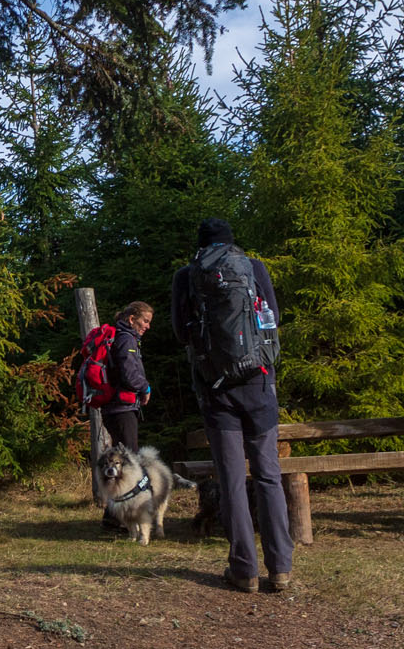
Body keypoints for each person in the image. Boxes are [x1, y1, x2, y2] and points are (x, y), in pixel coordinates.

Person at [171, 218, 293, 593]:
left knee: (232, 480)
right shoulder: (253, 267)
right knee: (268, 475)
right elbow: (272, 319)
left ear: (201, 245)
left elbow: (180, 331)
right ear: (230, 242)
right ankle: (281, 569)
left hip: (215, 389)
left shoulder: (186, 276)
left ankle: (244, 570)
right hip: (258, 384)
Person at [97, 300, 153, 452]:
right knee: (130, 458)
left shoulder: (121, 337)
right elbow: (129, 374)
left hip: (117, 407)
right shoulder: (126, 339)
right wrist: (145, 388)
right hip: (121, 408)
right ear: (132, 319)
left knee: (123, 457)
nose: (148, 326)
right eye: (145, 321)